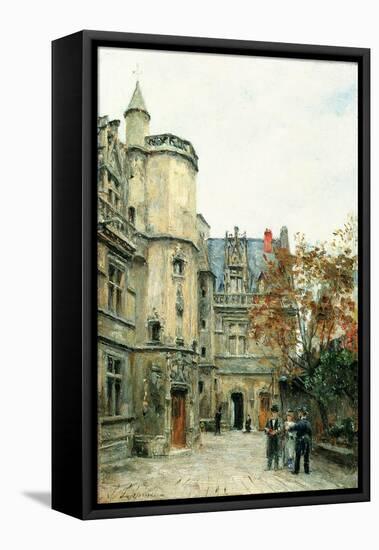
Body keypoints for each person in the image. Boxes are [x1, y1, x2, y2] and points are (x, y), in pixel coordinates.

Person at [290, 407, 312, 474]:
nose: (298, 414)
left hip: (300, 440)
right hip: (307, 441)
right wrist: (310, 443)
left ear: (301, 414)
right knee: (306, 456)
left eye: (299, 412)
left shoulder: (300, 423)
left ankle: (296, 471)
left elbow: (293, 428)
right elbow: (310, 434)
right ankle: (307, 471)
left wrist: (289, 427)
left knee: (298, 455)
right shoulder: (308, 423)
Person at [264, 404, 282, 470]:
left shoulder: (280, 420)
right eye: (273, 412)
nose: (274, 414)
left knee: (276, 452)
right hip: (270, 438)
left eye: (275, 412)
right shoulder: (269, 420)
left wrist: (276, 431)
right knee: (270, 452)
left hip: (277, 439)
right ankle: (269, 466)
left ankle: (276, 466)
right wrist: (267, 430)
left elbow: (281, 429)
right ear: (272, 412)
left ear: (277, 413)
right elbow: (265, 428)